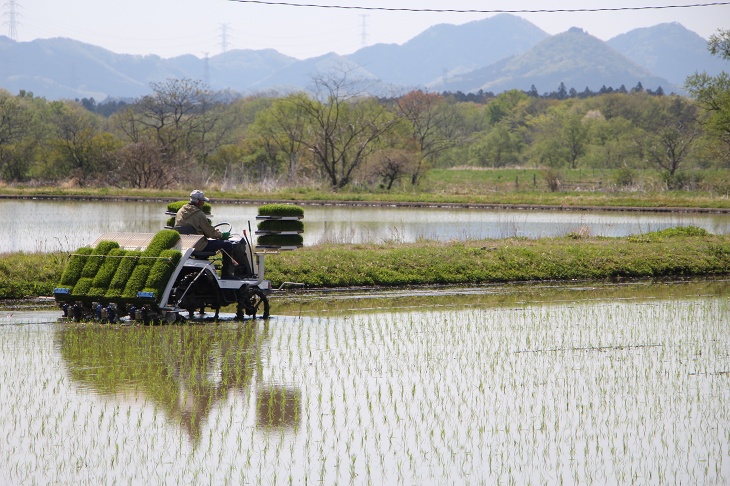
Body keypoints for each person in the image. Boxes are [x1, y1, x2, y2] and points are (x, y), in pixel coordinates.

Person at [175, 190, 249, 279]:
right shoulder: (199, 214)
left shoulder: (180, 212)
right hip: (199, 246)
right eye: (202, 201)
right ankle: (226, 274)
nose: (203, 204)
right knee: (227, 245)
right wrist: (221, 235)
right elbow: (211, 233)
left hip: (186, 245)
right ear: (199, 202)